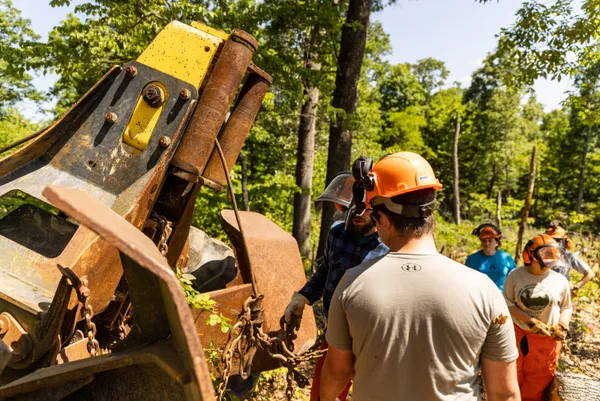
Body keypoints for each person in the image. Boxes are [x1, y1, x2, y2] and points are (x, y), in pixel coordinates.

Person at [321, 152, 520, 401]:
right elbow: (505, 393)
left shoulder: (351, 284)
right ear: (431, 214)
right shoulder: (484, 290)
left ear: (381, 218)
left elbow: (336, 372)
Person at [284, 168, 389, 401]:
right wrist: (303, 297)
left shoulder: (389, 247)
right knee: (323, 395)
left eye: (362, 209)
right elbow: (327, 270)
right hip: (336, 334)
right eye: (346, 208)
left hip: (372, 341)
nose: (354, 215)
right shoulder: (337, 234)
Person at [503, 234, 572, 401]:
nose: (548, 267)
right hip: (518, 331)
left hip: (547, 337)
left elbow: (566, 306)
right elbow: (507, 304)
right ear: (531, 256)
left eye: (551, 263)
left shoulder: (560, 280)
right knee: (513, 373)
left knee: (540, 378)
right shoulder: (515, 275)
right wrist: (529, 320)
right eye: (545, 263)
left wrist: (562, 324)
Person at [546, 220, 595, 294]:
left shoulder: (568, 256)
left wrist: (576, 286)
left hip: (561, 295)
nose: (554, 243)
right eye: (551, 240)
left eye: (558, 240)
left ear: (565, 241)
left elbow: (590, 273)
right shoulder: (539, 255)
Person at [465, 224, 517, 291]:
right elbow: (466, 281)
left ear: (497, 243)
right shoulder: (472, 260)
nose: (486, 243)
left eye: (490, 240)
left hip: (502, 298)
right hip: (479, 298)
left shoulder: (506, 257)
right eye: (484, 240)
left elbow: (515, 278)